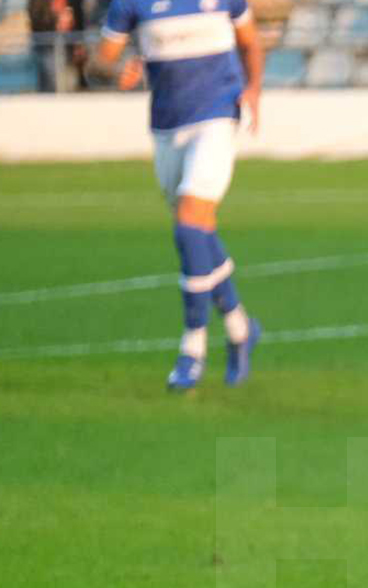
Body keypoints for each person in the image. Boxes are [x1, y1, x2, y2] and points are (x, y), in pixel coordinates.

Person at [93, 0, 264, 391]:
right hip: (167, 128)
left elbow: (251, 43)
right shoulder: (130, 4)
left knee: (189, 224)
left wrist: (253, 90)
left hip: (219, 116)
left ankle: (193, 348)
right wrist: (115, 71)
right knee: (198, 233)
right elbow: (98, 64)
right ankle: (240, 329)